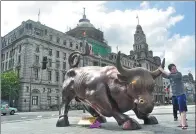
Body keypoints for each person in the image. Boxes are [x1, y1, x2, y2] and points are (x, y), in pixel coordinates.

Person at [159, 64, 188, 129]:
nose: (175, 70)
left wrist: (162, 70)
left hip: (181, 94)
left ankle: (183, 125)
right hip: (175, 95)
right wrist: (160, 70)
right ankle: (184, 123)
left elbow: (167, 74)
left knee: (182, 110)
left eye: (175, 68)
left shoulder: (179, 74)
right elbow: (163, 75)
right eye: (173, 69)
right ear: (170, 70)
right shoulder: (170, 76)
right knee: (180, 110)